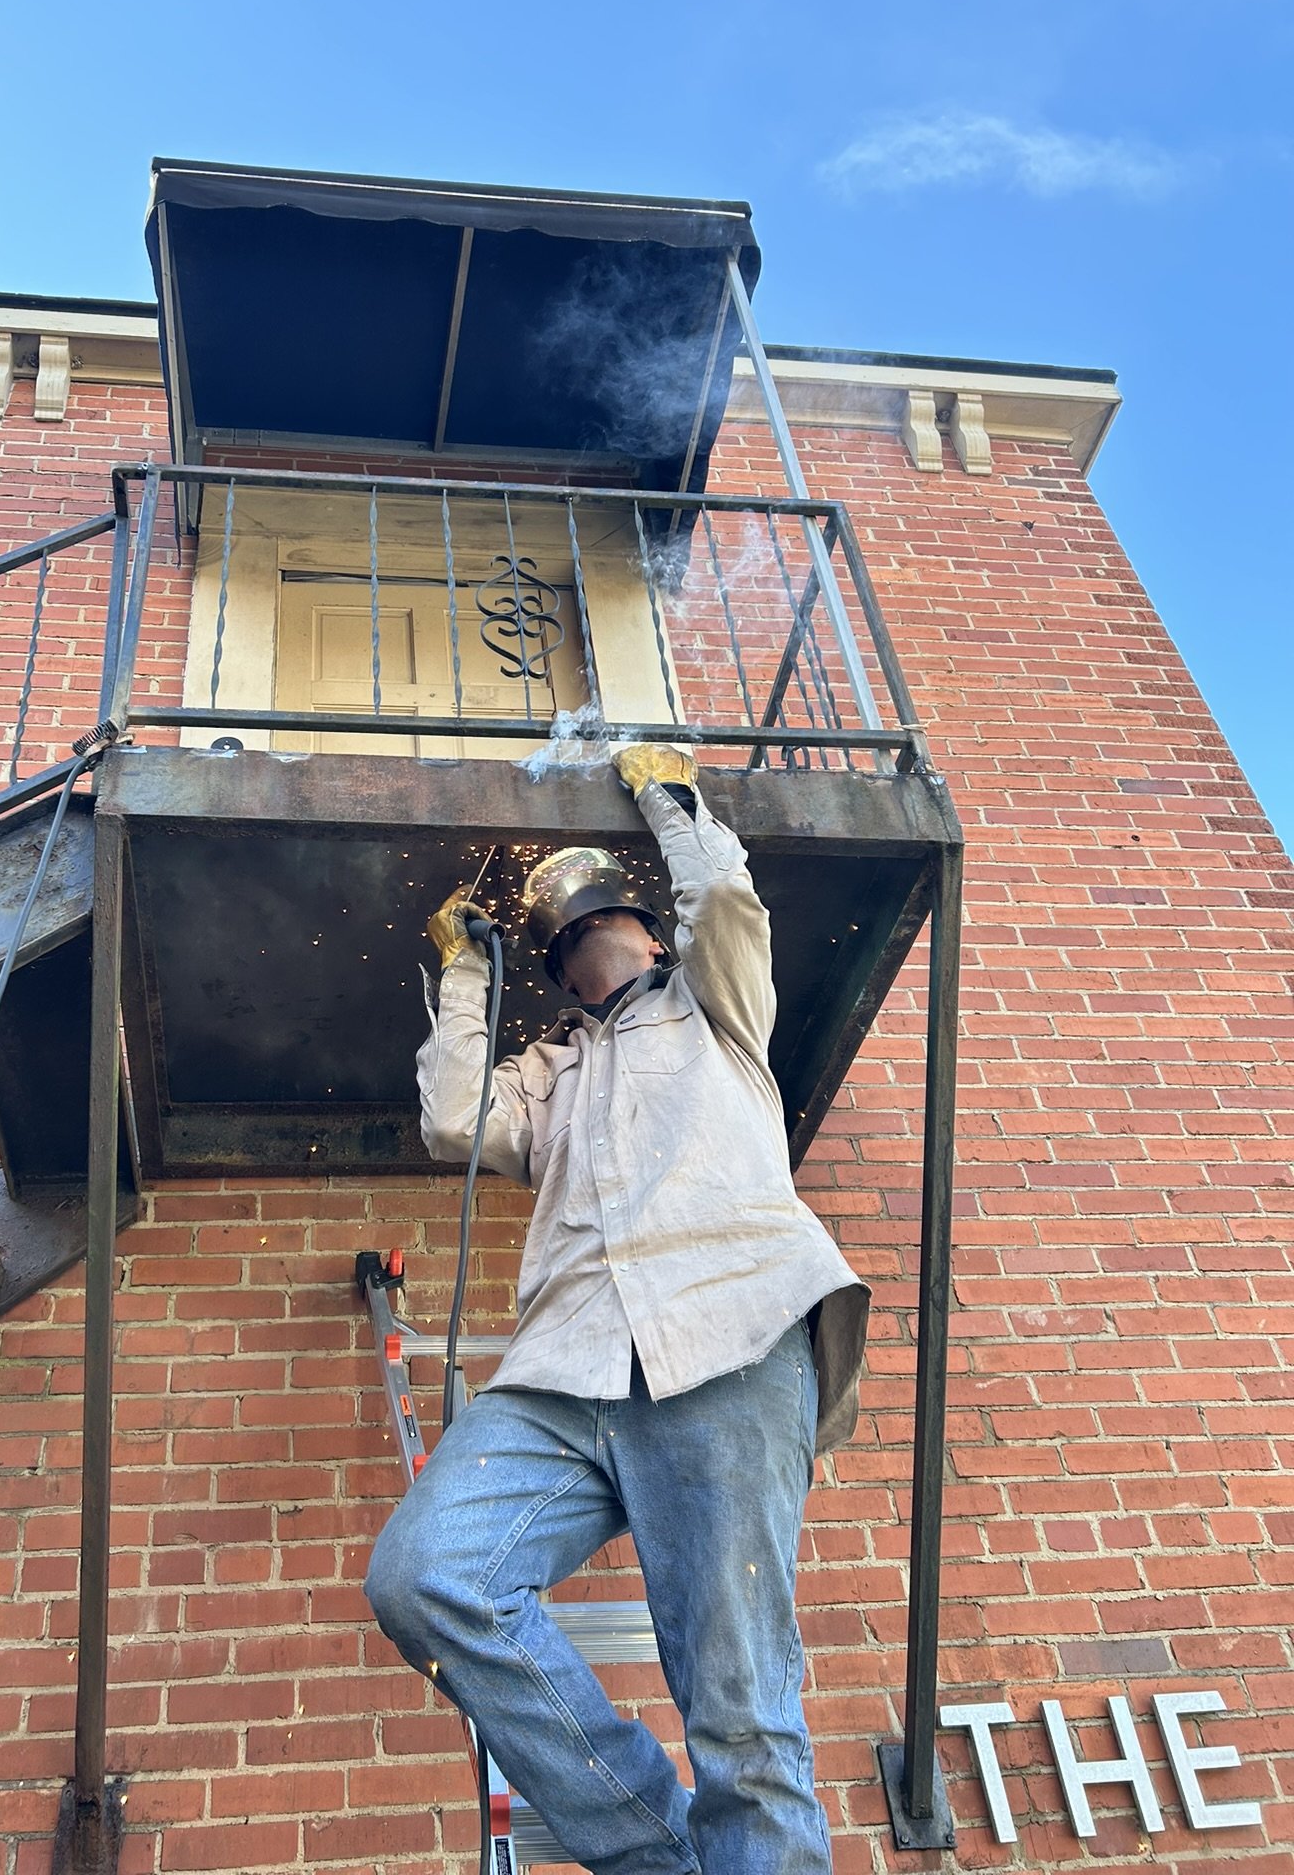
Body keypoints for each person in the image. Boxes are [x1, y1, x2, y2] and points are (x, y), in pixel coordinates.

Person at [365, 744, 869, 1875]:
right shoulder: (546, 1076)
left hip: (725, 1341)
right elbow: (454, 1117)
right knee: (429, 1574)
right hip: (566, 1373)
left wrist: (667, 792)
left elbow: (727, 900)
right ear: (558, 969)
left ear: (651, 932)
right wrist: (458, 970)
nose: (587, 927)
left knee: (740, 1711)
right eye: (566, 928)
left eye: (609, 912)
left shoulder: (716, 1007)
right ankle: (663, 1853)